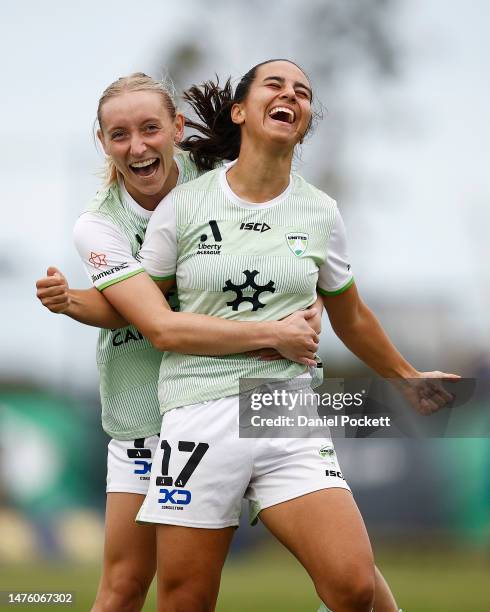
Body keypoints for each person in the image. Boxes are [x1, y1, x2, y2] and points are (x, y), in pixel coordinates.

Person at [36, 72, 321, 612]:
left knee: (348, 571)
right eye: (119, 135)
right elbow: (151, 319)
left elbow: (295, 239)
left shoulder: (217, 177)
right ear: (102, 143)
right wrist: (73, 302)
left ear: (177, 129)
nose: (137, 146)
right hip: (147, 410)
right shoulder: (99, 225)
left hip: (259, 394)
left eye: (150, 129)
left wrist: (313, 302)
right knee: (123, 589)